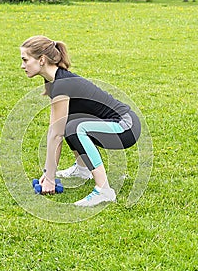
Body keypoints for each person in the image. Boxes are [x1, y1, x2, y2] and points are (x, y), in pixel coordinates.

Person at [20, 35, 141, 207]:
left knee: (75, 128)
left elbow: (56, 135)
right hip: (117, 125)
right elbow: (55, 129)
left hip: (126, 127)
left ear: (41, 60)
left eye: (25, 60)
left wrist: (49, 178)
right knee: (69, 124)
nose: (22, 66)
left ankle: (104, 190)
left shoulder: (62, 83)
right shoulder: (53, 80)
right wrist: (48, 174)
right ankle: (83, 169)